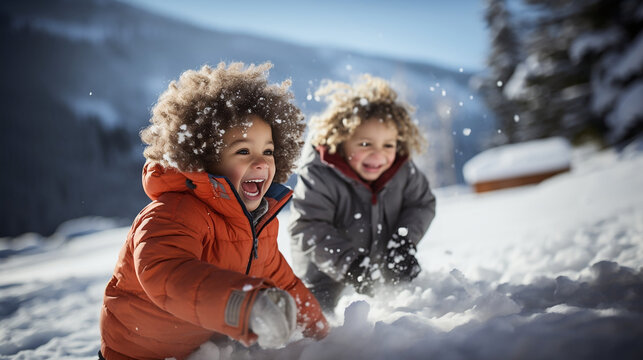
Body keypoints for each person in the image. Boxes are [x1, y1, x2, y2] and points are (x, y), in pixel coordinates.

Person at [99, 62, 328, 360]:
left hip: (201, 350)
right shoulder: (173, 212)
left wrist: (319, 330)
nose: (261, 163)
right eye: (243, 151)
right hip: (139, 353)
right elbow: (169, 277)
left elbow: (280, 280)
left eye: (268, 151)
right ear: (204, 156)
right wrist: (244, 304)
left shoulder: (258, 220)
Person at [288, 75, 436, 311]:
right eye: (365, 144)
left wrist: (403, 242)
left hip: (379, 263)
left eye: (388, 145)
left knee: (404, 315)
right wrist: (350, 265)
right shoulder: (320, 173)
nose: (378, 156)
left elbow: (421, 204)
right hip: (324, 273)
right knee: (321, 323)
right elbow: (307, 225)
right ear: (341, 139)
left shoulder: (402, 170)